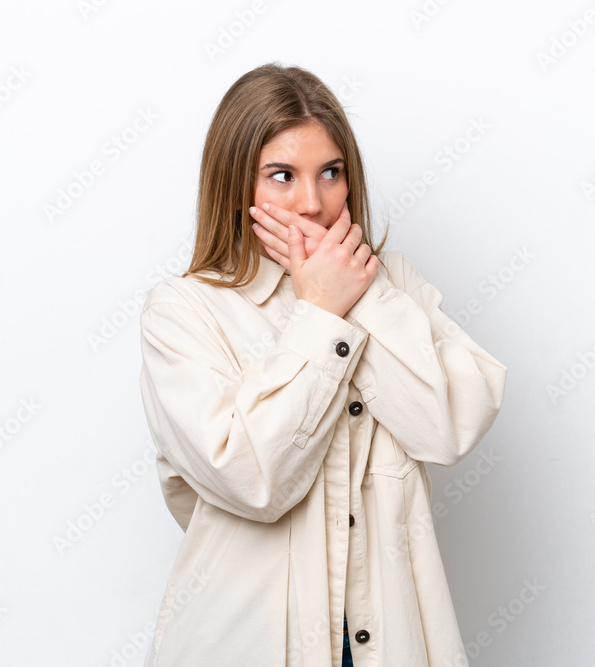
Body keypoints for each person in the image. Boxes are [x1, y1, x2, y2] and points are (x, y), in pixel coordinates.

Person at [138, 62, 507, 667]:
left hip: (389, 639)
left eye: (330, 173)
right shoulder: (183, 310)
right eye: (282, 176)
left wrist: (363, 296)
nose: (312, 204)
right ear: (235, 184)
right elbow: (251, 481)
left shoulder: (391, 284)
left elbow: (449, 425)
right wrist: (322, 314)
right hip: (245, 637)